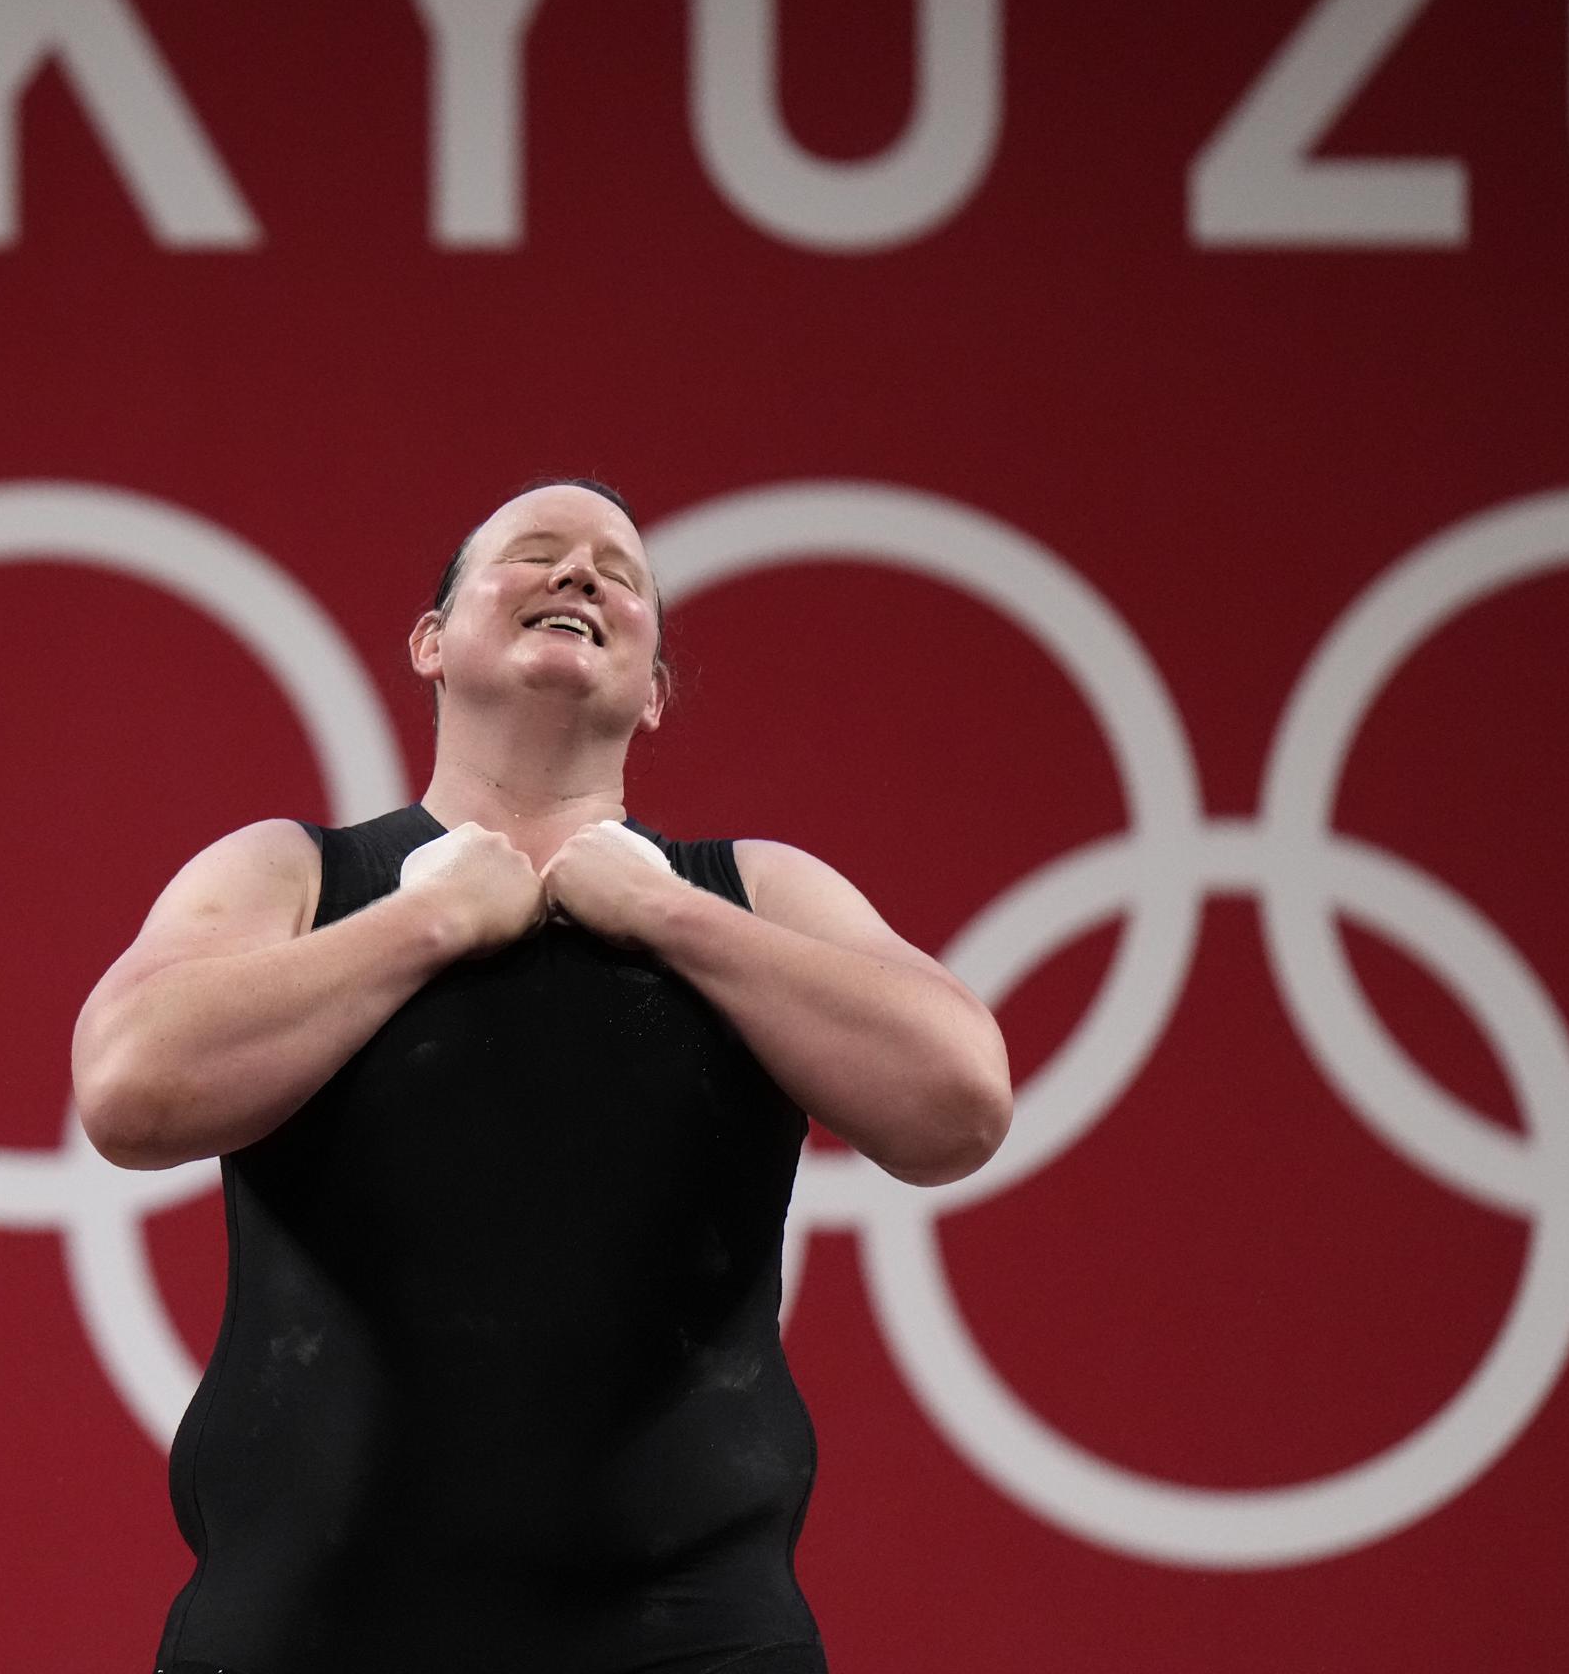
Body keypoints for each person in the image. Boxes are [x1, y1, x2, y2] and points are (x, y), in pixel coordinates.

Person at [71, 479, 1013, 1674]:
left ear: (654, 691)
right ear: (432, 642)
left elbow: (960, 1104)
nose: (581, 575)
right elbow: (130, 1085)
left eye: (618, 573)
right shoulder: (293, 875)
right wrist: (425, 923)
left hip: (693, 1633)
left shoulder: (756, 892)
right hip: (312, 1624)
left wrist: (668, 913)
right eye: (534, 553)